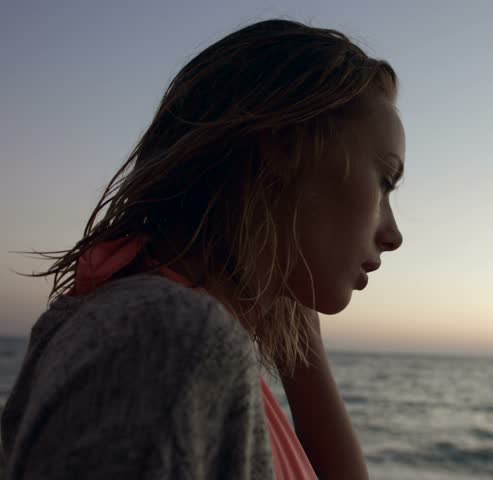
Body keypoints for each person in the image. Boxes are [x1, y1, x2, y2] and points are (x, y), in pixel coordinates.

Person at [1, 18, 405, 479]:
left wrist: (300, 340)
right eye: (385, 181)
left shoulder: (164, 328)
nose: (393, 235)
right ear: (284, 148)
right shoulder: (167, 339)